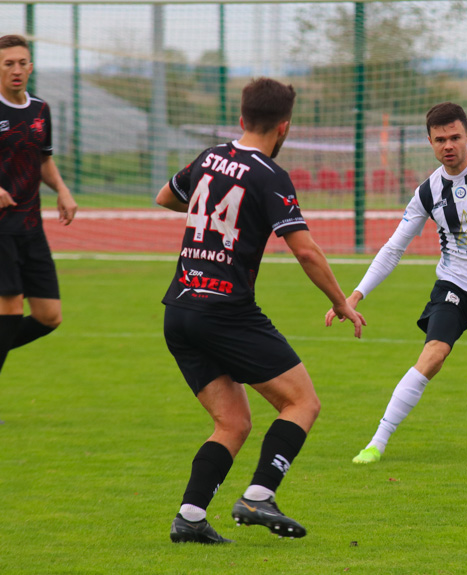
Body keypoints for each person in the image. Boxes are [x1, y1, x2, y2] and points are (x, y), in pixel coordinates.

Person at [156, 77, 365, 544]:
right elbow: (307, 252)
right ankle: (258, 494)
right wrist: (341, 302)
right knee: (302, 402)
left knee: (233, 422)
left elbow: (166, 197)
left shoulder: (209, 157)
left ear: (242, 117)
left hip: (179, 309)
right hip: (225, 311)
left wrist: (212, 222)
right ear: (284, 126)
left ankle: (189, 518)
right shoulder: (269, 175)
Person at [326, 102, 467, 464]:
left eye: (455, 137)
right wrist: (355, 294)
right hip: (454, 286)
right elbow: (393, 248)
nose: (449, 146)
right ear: (430, 142)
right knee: (433, 356)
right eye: (440, 139)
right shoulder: (428, 192)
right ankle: (376, 443)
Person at [0, 34, 77, 377]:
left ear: (31, 67)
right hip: (1, 228)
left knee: (49, 316)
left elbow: (44, 160)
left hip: (32, 227)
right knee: (10, 310)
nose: (16, 70)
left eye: (21, 63)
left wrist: (62, 190)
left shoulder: (40, 110)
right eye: (8, 63)